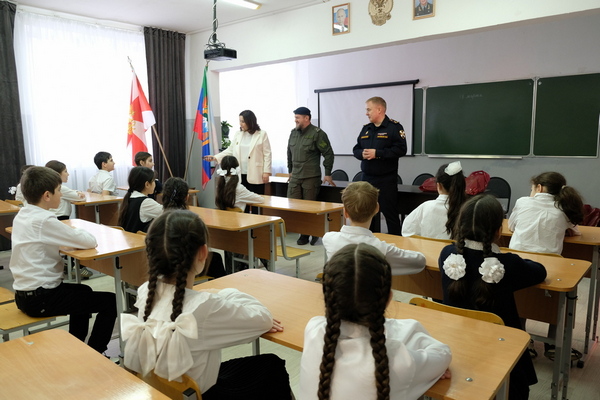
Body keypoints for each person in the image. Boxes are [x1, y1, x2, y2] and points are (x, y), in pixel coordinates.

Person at [121, 210, 292, 399]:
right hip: (204, 394)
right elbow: (263, 319)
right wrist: (221, 292)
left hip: (169, 389)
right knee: (272, 365)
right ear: (203, 252)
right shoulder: (204, 306)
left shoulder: (145, 291)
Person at [300, 243, 452, 400]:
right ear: (388, 298)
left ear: (327, 296)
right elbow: (443, 354)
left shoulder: (313, 329)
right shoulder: (399, 359)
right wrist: (429, 371)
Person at [439, 194, 547, 400]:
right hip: (499, 347)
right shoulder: (508, 264)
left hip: (456, 340)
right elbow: (540, 271)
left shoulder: (447, 255)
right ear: (498, 230)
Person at [9, 166, 117, 354]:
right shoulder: (44, 220)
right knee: (111, 302)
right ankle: (95, 352)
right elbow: (89, 241)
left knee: (84, 291)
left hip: (24, 294)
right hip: (41, 299)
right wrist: (76, 232)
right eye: (59, 190)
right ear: (47, 195)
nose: (61, 194)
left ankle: (77, 346)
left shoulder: (23, 214)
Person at [508, 172, 584, 361]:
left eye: (532, 188)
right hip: (549, 271)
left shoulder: (522, 202)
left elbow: (511, 226)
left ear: (539, 188)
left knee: (521, 297)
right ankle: (553, 343)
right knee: (556, 298)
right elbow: (575, 231)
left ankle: (523, 341)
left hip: (517, 266)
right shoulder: (563, 208)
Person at [323, 181, 426, 275]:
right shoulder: (381, 249)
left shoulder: (329, 238)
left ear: (345, 212)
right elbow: (420, 261)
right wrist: (391, 248)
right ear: (377, 209)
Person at [353, 97, 406, 235]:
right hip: (367, 178)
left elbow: (401, 150)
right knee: (366, 212)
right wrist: (361, 154)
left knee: (390, 213)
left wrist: (378, 153)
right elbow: (356, 149)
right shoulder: (366, 128)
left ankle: (396, 242)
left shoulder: (394, 127)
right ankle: (369, 242)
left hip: (386, 180)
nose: (366, 113)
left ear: (379, 109)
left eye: (368, 110)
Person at [287, 106, 335, 245]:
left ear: (306, 118)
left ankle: (307, 234)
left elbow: (328, 153)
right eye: (295, 117)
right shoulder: (293, 133)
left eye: (297, 118)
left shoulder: (317, 133)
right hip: (295, 176)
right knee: (293, 206)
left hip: (310, 177)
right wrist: (290, 170)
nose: (295, 120)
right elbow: (289, 152)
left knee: (309, 208)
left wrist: (327, 173)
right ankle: (304, 231)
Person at [162, 177, 226, 279]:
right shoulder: (189, 220)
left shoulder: (159, 218)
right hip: (186, 264)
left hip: (165, 264)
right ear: (187, 197)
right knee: (216, 258)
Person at [204, 110, 272, 196]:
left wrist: (266, 172)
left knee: (256, 199)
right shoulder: (238, 134)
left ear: (250, 121)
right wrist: (215, 157)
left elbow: (267, 154)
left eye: (243, 121)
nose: (240, 124)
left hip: (256, 173)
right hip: (240, 173)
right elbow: (230, 150)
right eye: (240, 121)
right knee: (242, 199)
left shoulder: (262, 134)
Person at [215, 156, 264, 273]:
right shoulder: (238, 188)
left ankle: (233, 270)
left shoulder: (220, 185)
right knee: (262, 237)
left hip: (226, 229)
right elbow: (260, 199)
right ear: (237, 169)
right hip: (239, 230)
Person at [45, 160, 94, 279]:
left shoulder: (53, 188)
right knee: (74, 239)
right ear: (57, 174)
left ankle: (70, 264)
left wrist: (76, 192)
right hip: (61, 219)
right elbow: (80, 198)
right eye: (65, 171)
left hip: (58, 218)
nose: (68, 174)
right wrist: (78, 193)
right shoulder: (61, 188)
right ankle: (77, 267)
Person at [402, 161, 467, 239]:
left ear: (438, 185)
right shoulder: (468, 210)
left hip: (426, 247)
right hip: (455, 247)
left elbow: (407, 232)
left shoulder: (426, 207)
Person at [118, 166, 163, 233]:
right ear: (147, 184)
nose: (155, 184)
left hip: (129, 237)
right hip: (138, 238)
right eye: (154, 181)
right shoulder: (145, 202)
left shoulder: (130, 197)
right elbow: (168, 213)